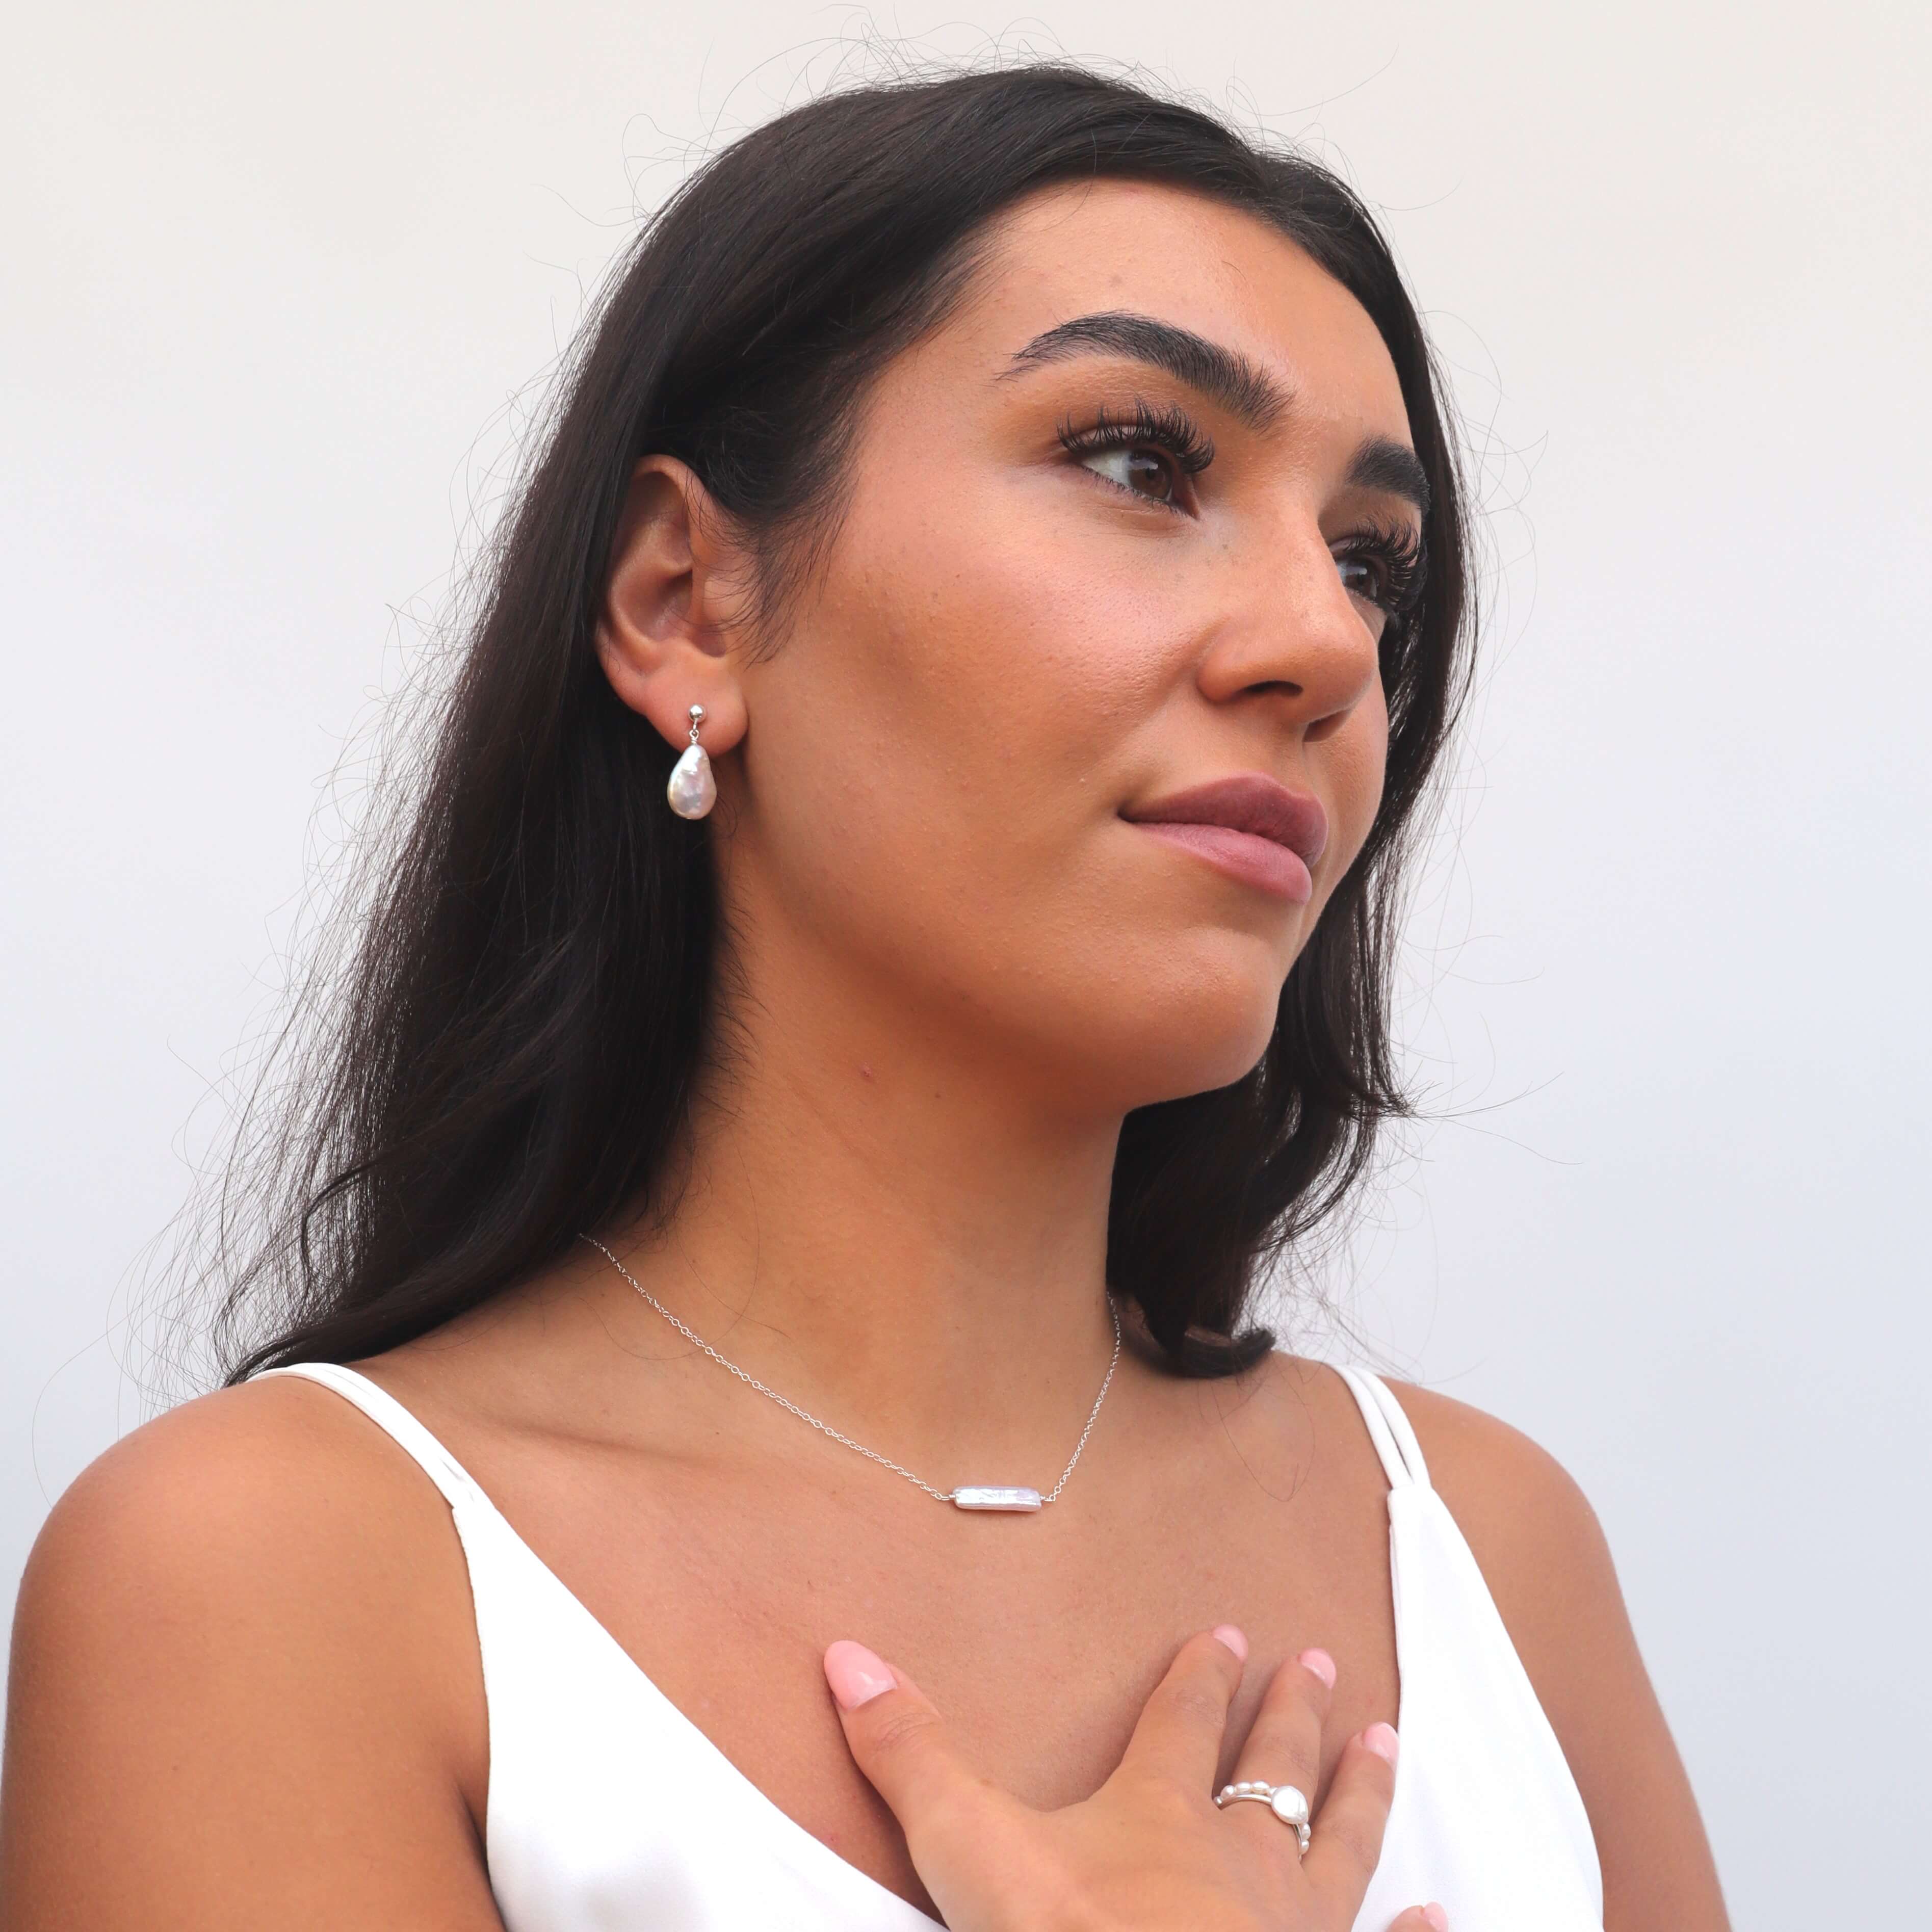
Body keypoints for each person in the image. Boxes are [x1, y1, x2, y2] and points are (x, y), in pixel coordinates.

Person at [0, 64, 1731, 1932]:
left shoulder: (1486, 1552)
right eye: (1143, 463)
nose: (1324, 644)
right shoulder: (284, 1575)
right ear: (688, 604)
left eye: (1373, 565)